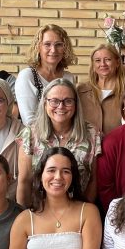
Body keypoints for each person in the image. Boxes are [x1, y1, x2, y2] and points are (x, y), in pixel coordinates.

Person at [17, 78, 100, 206]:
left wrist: (83, 211)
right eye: (54, 101)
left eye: (68, 101)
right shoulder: (30, 135)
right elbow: (24, 181)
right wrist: (26, 214)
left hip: (78, 209)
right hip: (39, 210)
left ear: (76, 104)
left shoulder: (91, 134)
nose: (61, 106)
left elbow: (94, 181)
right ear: (45, 103)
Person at [16, 24, 77, 126]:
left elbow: (72, 115)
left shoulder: (68, 77)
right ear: (38, 48)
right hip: (37, 134)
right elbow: (29, 121)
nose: (53, 50)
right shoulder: (27, 76)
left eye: (58, 44)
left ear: (65, 48)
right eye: (47, 44)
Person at [75, 43, 125, 136]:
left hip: (118, 144)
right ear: (93, 65)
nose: (103, 64)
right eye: (98, 60)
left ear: (117, 62)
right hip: (86, 144)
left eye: (107, 59)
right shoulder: (80, 91)